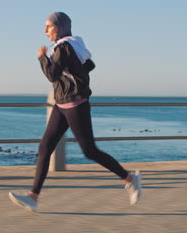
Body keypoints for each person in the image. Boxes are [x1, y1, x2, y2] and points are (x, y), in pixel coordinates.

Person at [9, 12, 142, 213]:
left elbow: (52, 75)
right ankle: (33, 197)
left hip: (75, 105)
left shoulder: (63, 47)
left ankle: (130, 179)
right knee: (45, 147)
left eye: (49, 26)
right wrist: (75, 75)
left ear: (60, 27)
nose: (45, 31)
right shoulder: (73, 45)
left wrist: (42, 57)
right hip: (62, 104)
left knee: (89, 151)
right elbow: (90, 65)